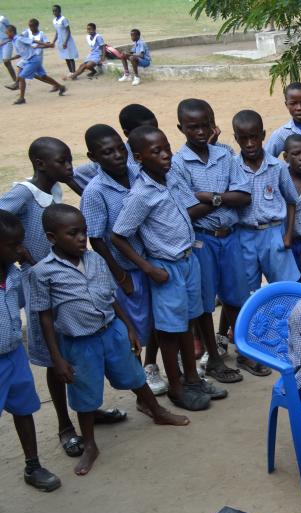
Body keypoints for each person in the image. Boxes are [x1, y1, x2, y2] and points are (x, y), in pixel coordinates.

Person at [30, 205, 189, 475]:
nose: (82, 238)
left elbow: (112, 297)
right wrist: (57, 359)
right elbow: (45, 318)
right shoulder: (42, 272)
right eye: (73, 233)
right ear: (51, 237)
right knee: (85, 392)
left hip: (111, 331)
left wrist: (128, 327)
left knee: (134, 375)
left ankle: (157, 411)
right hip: (79, 343)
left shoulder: (95, 260)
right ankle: (90, 444)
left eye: (84, 232)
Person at [111, 126, 228, 412]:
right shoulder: (141, 194)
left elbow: (186, 210)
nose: (166, 156)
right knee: (169, 331)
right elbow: (118, 235)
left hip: (189, 261)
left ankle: (193, 380)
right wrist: (148, 269)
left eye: (167, 148)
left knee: (188, 322)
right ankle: (176, 387)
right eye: (157, 152)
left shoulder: (170, 177)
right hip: (166, 268)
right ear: (138, 158)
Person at [0, 137, 95, 459]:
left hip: (61, 283)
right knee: (55, 359)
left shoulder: (53, 190)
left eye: (70, 160)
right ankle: (64, 425)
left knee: (74, 348)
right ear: (40, 164)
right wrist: (21, 252)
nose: (69, 167)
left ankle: (87, 410)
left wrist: (69, 179)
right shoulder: (23, 194)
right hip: (38, 285)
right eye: (62, 162)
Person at [170, 99, 250, 381]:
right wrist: (222, 197)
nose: (201, 131)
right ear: (181, 128)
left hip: (229, 237)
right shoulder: (177, 164)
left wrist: (207, 196)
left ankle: (246, 351)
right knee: (204, 302)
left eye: (206, 125)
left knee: (237, 295)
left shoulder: (225, 155)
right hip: (201, 241)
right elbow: (187, 212)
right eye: (193, 127)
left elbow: (244, 197)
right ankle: (214, 359)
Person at [81, 125, 156, 378]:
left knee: (158, 321)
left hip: (153, 262)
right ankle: (138, 381)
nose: (116, 155)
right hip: (126, 270)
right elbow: (96, 239)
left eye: (119, 149)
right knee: (132, 328)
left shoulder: (140, 173)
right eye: (107, 152)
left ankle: (152, 367)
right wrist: (120, 276)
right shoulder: (95, 191)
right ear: (93, 157)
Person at [0, 209, 62, 491]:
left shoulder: (13, 273)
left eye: (20, 243)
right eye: (13, 245)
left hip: (14, 354)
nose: (20, 250)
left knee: (23, 409)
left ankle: (33, 465)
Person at [231, 109, 301, 294]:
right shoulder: (231, 166)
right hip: (244, 234)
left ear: (263, 135)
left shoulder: (277, 166)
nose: (250, 144)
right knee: (247, 290)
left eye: (254, 137)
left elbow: (291, 200)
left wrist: (288, 235)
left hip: (273, 233)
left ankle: (287, 323)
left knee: (284, 287)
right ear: (236, 138)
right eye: (243, 138)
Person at [10, 20, 67, 105]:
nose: (31, 28)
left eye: (32, 26)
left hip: (35, 58)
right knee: (42, 76)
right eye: (30, 26)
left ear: (37, 26)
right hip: (29, 58)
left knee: (22, 75)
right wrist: (11, 58)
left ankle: (21, 96)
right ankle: (61, 87)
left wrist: (45, 45)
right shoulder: (26, 33)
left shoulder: (41, 34)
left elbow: (42, 43)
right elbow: (21, 41)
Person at [266, 82, 301, 161]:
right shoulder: (281, 134)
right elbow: (266, 160)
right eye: (293, 103)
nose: (299, 108)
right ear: (286, 105)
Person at [283, 134, 301, 273]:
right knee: (290, 283)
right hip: (285, 244)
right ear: (286, 157)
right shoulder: (279, 182)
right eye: (296, 154)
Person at [50, 5, 77, 77]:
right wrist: (53, 41)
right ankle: (71, 72)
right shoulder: (54, 21)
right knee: (66, 57)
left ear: (60, 11)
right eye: (53, 11)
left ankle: (74, 73)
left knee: (70, 57)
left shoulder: (63, 19)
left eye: (56, 10)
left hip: (67, 41)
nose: (54, 12)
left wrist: (65, 42)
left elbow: (68, 31)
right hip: (60, 41)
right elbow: (57, 32)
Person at [0, 15, 16, 86]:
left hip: (7, 42)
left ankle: (16, 82)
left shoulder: (2, 19)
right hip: (1, 43)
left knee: (6, 62)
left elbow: (12, 30)